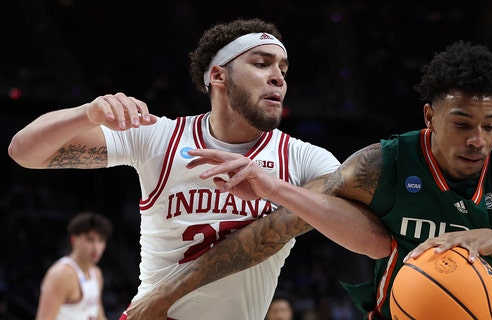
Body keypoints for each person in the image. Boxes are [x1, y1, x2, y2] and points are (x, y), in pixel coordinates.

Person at [123, 40, 492, 319]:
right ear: (430, 117)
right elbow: (274, 229)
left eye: (490, 125)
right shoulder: (381, 165)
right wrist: (164, 295)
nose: (478, 139)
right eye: (462, 124)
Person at [8, 18, 389, 320]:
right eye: (261, 63)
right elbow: (25, 152)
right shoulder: (159, 136)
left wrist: (274, 189)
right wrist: (84, 113)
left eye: (283, 69)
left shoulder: (304, 158)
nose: (279, 77)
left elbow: (374, 243)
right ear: (218, 76)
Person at [35, 211, 112, 320]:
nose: (96, 247)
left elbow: (99, 316)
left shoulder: (96, 273)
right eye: (90, 240)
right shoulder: (62, 274)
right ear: (74, 240)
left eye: (101, 241)